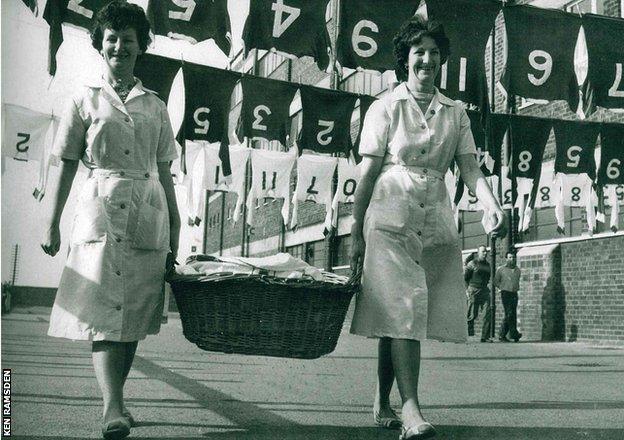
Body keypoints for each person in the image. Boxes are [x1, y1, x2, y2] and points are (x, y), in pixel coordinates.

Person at [349, 16, 507, 440]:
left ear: (442, 60)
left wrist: (489, 202)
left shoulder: (455, 113)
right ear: (406, 59)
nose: (428, 59)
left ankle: (382, 401)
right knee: (403, 310)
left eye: (435, 52)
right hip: (388, 216)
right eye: (419, 51)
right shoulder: (384, 107)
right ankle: (411, 411)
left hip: (435, 217)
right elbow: (366, 175)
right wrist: (353, 232)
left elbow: (470, 168)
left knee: (401, 314)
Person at [40, 2, 180, 439]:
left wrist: (175, 227)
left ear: (141, 47)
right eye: (112, 38)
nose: (120, 46)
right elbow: (64, 162)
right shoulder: (84, 99)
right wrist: (51, 222)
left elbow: (165, 171)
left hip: (146, 207)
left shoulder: (155, 106)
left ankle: (116, 399)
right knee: (104, 312)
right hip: (98, 205)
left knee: (134, 312)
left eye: (129, 39)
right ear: (101, 44)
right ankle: (112, 406)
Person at [465, 245, 494, 343]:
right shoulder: (472, 263)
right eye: (483, 251)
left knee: (488, 311)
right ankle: (465, 334)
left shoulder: (488, 265)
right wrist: (467, 290)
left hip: (484, 290)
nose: (485, 253)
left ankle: (484, 336)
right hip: (473, 289)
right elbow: (465, 278)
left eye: (486, 251)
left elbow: (487, 278)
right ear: (478, 253)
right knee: (472, 314)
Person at [495, 251, 522, 342]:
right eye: (510, 257)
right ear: (506, 259)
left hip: (514, 293)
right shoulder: (501, 269)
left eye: (513, 257)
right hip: (505, 293)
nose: (512, 259)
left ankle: (502, 335)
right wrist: (501, 287)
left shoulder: (518, 270)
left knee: (511, 314)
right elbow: (496, 281)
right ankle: (514, 333)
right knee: (509, 313)